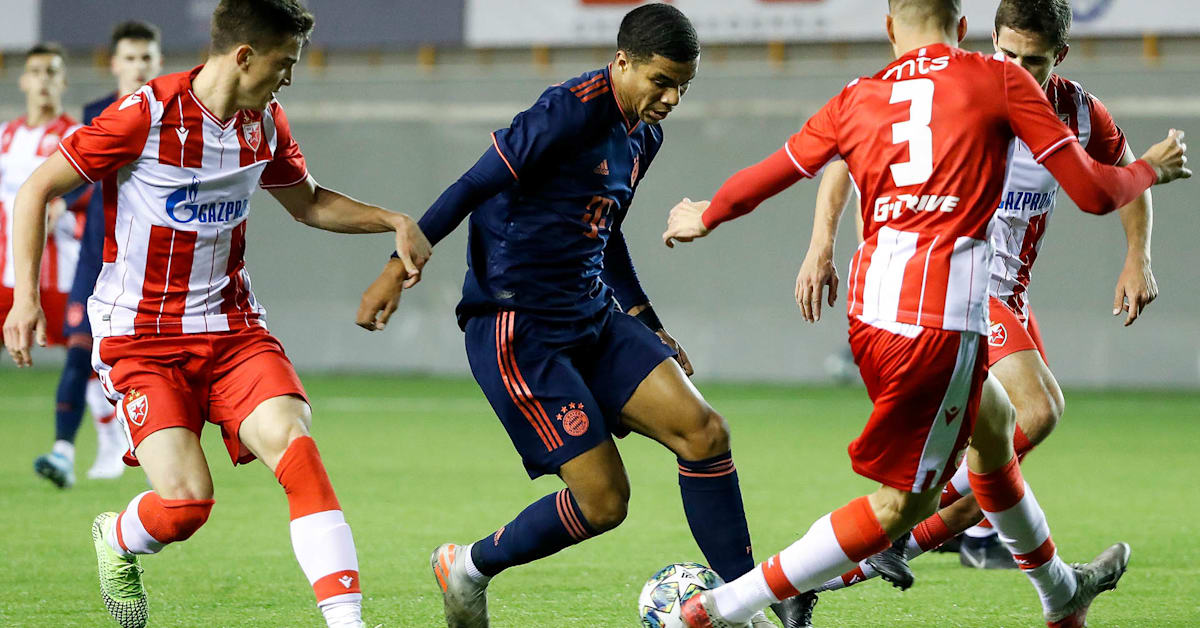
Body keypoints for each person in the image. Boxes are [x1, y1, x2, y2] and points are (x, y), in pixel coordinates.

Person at [659, 0, 1189, 626]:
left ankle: (1059, 591)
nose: (1020, 64)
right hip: (941, 318)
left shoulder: (861, 93)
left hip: (873, 313)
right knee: (905, 504)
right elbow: (1098, 192)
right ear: (969, 32)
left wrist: (708, 213)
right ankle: (724, 605)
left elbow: (774, 171)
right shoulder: (998, 82)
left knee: (994, 429)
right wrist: (1150, 169)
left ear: (889, 29)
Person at [357, 5, 804, 627]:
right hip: (519, 328)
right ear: (623, 63)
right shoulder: (564, 111)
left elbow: (605, 228)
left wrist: (646, 320)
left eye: (684, 86)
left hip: (592, 315)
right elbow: (471, 185)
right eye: (662, 81)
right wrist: (395, 269)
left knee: (705, 433)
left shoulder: (645, 133)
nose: (672, 98)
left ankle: (746, 601)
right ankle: (467, 566)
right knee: (604, 502)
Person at [2, 1, 431, 626]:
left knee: (299, 449)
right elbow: (36, 188)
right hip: (141, 339)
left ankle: (347, 622)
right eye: (285, 63)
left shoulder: (266, 122)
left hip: (234, 332)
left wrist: (391, 220)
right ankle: (118, 536)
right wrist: (24, 298)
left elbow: (307, 203)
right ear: (244, 56)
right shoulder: (145, 114)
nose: (289, 77)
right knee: (185, 507)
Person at [794, 0, 1161, 601]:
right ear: (988, 40)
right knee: (1036, 413)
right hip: (956, 285)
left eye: (1033, 61)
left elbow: (1128, 177)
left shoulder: (1078, 111)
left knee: (994, 470)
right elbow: (842, 160)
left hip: (1011, 295)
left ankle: (843, 567)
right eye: (1006, 53)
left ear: (1059, 58)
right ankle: (910, 531)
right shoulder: (953, 88)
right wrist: (820, 246)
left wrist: (1137, 257)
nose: (1016, 67)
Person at [33, 20, 165, 487]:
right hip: (96, 259)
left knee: (149, 362)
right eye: (129, 58)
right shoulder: (96, 114)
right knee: (77, 353)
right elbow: (75, 179)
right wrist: (61, 203)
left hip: (151, 262)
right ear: (114, 64)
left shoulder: (176, 116)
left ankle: (139, 447)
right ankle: (64, 451)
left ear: (159, 62)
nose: (138, 66)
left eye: (146, 57)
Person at [0, 43, 96, 488]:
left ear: (62, 81)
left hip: (62, 268)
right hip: (7, 271)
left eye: (51, 72)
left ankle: (106, 443)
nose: (42, 79)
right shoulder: (5, 136)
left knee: (88, 358)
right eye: (35, 71)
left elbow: (92, 190)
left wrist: (66, 204)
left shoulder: (76, 134)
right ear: (23, 80)